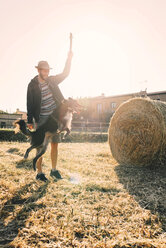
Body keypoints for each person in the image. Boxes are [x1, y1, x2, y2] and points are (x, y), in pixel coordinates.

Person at [26, 50, 73, 181]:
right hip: (41, 119)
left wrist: (69, 59)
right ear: (39, 70)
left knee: (54, 144)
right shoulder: (32, 85)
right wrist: (30, 120)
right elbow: (29, 103)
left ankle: (54, 170)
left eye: (48, 71)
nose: (46, 73)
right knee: (40, 146)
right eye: (44, 71)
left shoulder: (52, 81)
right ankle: (40, 173)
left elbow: (65, 73)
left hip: (54, 118)